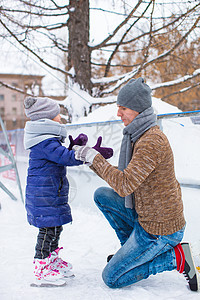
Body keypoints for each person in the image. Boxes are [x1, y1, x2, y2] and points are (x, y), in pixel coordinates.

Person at [73, 77, 198, 292]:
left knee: (111, 278)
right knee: (102, 195)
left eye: (123, 108)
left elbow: (124, 185)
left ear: (138, 109)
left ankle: (176, 258)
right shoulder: (137, 135)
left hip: (160, 230)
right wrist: (92, 159)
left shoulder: (151, 141)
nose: (118, 113)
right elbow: (125, 181)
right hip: (145, 215)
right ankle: (130, 254)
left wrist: (94, 159)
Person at [24, 96, 89, 287]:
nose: (60, 117)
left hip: (49, 194)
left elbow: (59, 155)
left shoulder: (46, 141)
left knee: (54, 228)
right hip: (44, 197)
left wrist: (72, 148)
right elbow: (64, 157)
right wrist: (85, 154)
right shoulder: (45, 142)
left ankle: (51, 261)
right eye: (57, 114)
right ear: (47, 119)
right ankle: (41, 266)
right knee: (47, 230)